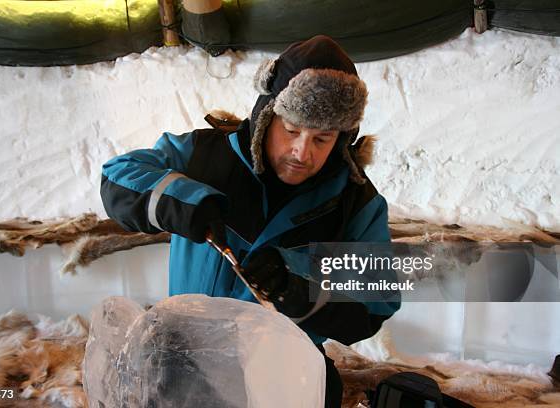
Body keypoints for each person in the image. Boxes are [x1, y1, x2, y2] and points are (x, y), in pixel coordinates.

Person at [100, 35, 400, 407]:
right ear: (266, 115)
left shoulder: (357, 203)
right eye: (291, 131)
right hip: (184, 357)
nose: (301, 152)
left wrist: (297, 285)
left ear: (342, 139)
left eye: (321, 139)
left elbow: (377, 302)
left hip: (279, 374)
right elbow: (117, 175)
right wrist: (184, 202)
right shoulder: (205, 156)